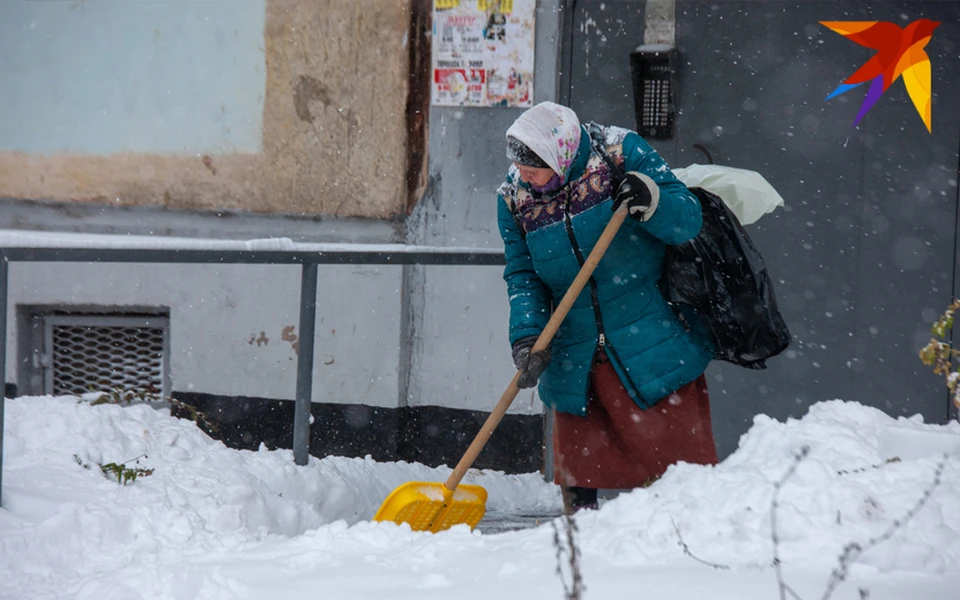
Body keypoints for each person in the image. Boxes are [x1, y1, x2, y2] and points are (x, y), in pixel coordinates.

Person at [496, 101, 719, 513]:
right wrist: (527, 336)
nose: (522, 174)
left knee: (679, 486)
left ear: (559, 156)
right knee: (581, 487)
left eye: (533, 166)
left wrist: (651, 200)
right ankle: (583, 569)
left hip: (649, 339)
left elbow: (687, 219)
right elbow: (523, 274)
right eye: (518, 164)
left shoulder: (619, 154)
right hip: (575, 353)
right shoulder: (514, 197)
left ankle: (685, 565)